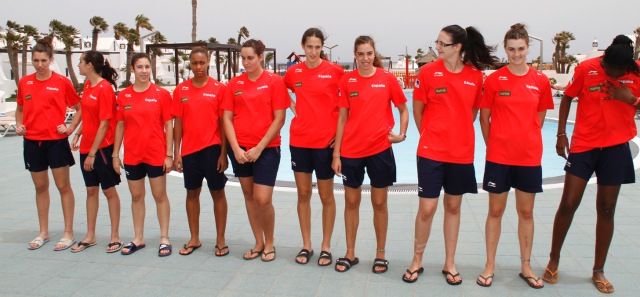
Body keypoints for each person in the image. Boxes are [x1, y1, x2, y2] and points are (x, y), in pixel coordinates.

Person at [542, 35, 640, 294]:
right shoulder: (587, 69)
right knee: (569, 203)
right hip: (585, 146)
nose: (610, 74)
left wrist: (630, 99)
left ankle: (598, 270)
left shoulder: (637, 74)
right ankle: (553, 259)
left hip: (616, 149)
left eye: (616, 72)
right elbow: (566, 98)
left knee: (606, 209)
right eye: (608, 69)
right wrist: (561, 134)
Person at [402, 25, 498, 284]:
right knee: (427, 207)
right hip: (432, 152)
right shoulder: (428, 72)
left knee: (453, 206)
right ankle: (417, 260)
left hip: (461, 153)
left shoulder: (475, 77)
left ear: (457, 47)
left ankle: (450, 263)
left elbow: (474, 113)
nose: (438, 47)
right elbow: (418, 111)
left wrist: (457, 134)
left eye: (442, 43)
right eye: (438, 42)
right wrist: (432, 136)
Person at [476, 23, 553, 289]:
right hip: (499, 157)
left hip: (529, 158)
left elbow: (541, 116)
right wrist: (493, 144)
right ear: (506, 49)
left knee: (526, 212)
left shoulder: (540, 81)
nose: (516, 54)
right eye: (511, 49)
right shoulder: (495, 80)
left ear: (527, 48)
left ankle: (526, 265)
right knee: (495, 211)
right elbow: (484, 118)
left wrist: (526, 136)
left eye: (521, 49)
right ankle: (489, 265)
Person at [332, 35, 409, 273]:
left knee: (379, 203)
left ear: (374, 53)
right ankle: (350, 253)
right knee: (351, 202)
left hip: (380, 150)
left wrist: (401, 134)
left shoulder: (386, 79)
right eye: (360, 54)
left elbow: (403, 110)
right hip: (352, 151)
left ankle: (380, 254)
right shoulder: (347, 81)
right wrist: (336, 154)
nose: (365, 58)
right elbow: (342, 118)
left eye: (368, 53)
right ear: (355, 56)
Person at [222, 39, 290, 262]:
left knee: (262, 199)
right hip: (240, 150)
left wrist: (259, 147)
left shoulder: (274, 82)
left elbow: (280, 118)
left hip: (267, 148)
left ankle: (270, 242)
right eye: (243, 58)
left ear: (260, 57)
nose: (246, 62)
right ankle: (258, 242)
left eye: (250, 57)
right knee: (249, 196)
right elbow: (227, 118)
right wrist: (235, 147)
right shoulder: (234, 84)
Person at [284, 28, 344, 266]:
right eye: (309, 47)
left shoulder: (335, 72)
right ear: (302, 46)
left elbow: (346, 103)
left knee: (326, 196)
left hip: (325, 143)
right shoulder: (293, 72)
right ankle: (306, 245)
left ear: (322, 47)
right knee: (304, 194)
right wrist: (293, 107)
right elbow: (281, 89)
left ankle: (326, 246)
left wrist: (339, 137)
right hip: (299, 141)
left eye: (317, 47)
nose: (313, 51)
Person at [16, 36, 81, 251]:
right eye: (36, 60)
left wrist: (69, 127)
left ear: (50, 60)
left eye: (43, 60)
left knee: (63, 186)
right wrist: (19, 124)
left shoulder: (62, 82)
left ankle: (68, 233)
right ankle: (43, 232)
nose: (40, 65)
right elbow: (19, 109)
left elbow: (78, 107)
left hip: (56, 142)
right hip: (33, 142)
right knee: (40, 187)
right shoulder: (25, 82)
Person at [113, 53, 174, 257]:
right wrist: (115, 154)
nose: (144, 71)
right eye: (140, 67)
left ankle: (164, 237)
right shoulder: (124, 96)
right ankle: (138, 238)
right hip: (133, 156)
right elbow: (120, 125)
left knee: (159, 196)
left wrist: (169, 154)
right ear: (133, 69)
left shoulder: (161, 94)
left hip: (155, 154)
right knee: (136, 196)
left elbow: (168, 124)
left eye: (147, 67)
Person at [173, 47, 229, 257]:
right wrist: (176, 152)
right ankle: (194, 238)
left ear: (208, 63)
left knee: (218, 194)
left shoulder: (219, 89)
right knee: (192, 194)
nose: (198, 67)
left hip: (212, 150)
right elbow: (178, 123)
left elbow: (224, 124)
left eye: (202, 63)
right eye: (195, 63)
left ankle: (220, 240)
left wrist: (224, 154)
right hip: (189, 152)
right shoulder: (181, 90)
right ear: (190, 63)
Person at [69, 51, 123, 253]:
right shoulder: (88, 85)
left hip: (101, 149)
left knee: (109, 191)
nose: (78, 66)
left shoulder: (105, 88)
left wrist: (92, 153)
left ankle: (115, 236)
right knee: (91, 191)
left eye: (81, 62)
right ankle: (90, 235)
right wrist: (77, 133)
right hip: (87, 147)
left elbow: (104, 123)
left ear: (90, 65)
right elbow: (86, 112)